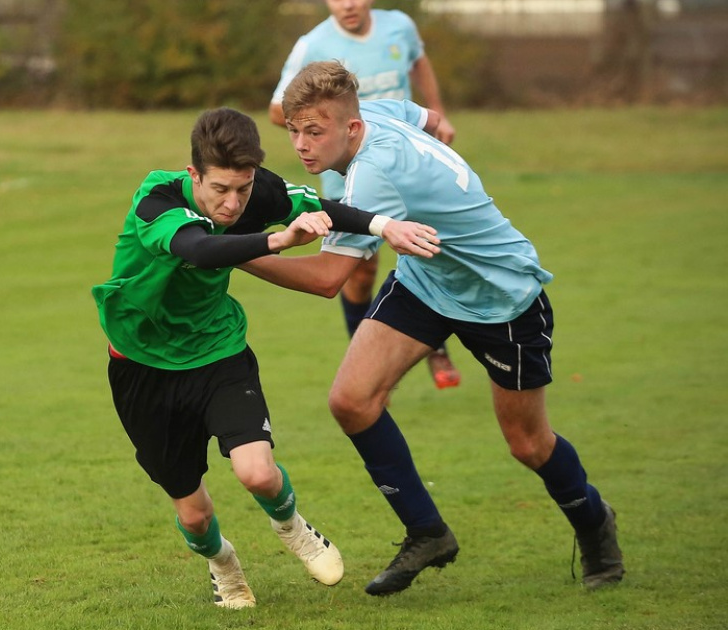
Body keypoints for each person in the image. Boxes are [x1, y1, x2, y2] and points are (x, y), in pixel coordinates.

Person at [243, 61, 624, 595]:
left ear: (350, 128)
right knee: (352, 401)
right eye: (294, 131)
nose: (302, 145)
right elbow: (432, 119)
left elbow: (329, 278)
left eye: (315, 132)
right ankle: (427, 533)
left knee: (528, 443)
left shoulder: (375, 174)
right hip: (428, 280)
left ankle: (594, 524)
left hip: (503, 298)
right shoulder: (373, 112)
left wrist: (234, 255)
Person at [92, 107, 441, 608]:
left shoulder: (259, 192)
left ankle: (293, 526)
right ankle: (224, 566)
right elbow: (198, 249)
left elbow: (325, 207)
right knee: (193, 516)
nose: (233, 204)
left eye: (244, 188)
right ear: (194, 175)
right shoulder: (159, 200)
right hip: (142, 366)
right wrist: (279, 239)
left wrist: (385, 225)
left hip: (218, 350)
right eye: (220, 190)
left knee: (257, 471)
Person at [268, 0, 461, 389]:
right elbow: (278, 109)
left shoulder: (400, 27)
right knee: (358, 273)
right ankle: (366, 364)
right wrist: (331, 119)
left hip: (406, 171)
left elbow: (418, 63)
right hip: (348, 180)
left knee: (427, 253)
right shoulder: (312, 44)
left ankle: (435, 345)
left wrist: (436, 110)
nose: (349, 4)